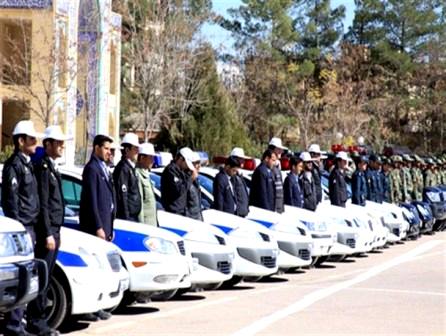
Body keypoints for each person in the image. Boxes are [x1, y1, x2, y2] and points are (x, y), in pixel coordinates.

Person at [1, 120, 44, 336]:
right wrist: (19, 228)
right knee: (22, 277)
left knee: (29, 279)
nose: (36, 144)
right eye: (32, 139)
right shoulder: (14, 166)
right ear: (20, 141)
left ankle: (19, 322)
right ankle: (13, 325)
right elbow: (12, 201)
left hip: (30, 226)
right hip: (22, 228)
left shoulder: (27, 164)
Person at [26, 126, 69, 336]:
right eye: (58, 143)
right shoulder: (42, 167)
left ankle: (40, 319)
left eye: (62, 142)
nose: (62, 146)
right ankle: (36, 321)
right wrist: (48, 233)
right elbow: (43, 203)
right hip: (48, 230)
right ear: (48, 144)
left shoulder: (52, 166)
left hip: (55, 228)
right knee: (42, 278)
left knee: (48, 275)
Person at [78, 134, 116, 321]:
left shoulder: (104, 168)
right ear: (96, 148)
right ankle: (89, 308)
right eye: (106, 148)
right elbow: (91, 202)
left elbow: (109, 200)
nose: (109, 152)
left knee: (102, 269)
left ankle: (98, 305)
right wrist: (99, 227)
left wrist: (111, 226)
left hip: (106, 227)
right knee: (92, 269)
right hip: (94, 229)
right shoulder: (92, 169)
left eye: (110, 149)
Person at [113, 133, 141, 221]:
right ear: (127, 150)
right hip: (128, 218)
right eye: (135, 148)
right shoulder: (123, 168)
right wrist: (126, 219)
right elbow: (123, 196)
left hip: (133, 216)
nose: (137, 152)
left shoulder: (129, 167)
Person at [161, 147, 194, 216]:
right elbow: (179, 189)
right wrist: (191, 178)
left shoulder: (181, 171)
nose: (187, 166)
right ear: (181, 159)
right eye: (186, 163)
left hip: (181, 210)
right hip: (173, 211)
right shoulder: (171, 170)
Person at [135, 143, 157, 226]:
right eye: (150, 157)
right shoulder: (138, 175)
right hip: (146, 225)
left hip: (152, 223)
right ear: (142, 158)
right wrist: (142, 226)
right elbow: (139, 205)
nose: (153, 161)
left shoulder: (146, 174)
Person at [229, 147, 250, 217]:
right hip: (238, 215)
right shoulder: (232, 176)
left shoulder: (239, 175)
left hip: (243, 214)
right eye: (241, 159)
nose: (243, 162)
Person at [268, 137, 287, 213]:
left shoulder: (278, 165)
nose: (281, 152)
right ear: (272, 150)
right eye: (278, 149)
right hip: (272, 209)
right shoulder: (268, 166)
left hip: (279, 208)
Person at [186, 152, 203, 221]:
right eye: (197, 163)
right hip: (191, 220)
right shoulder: (186, 179)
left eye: (199, 163)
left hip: (197, 218)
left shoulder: (196, 180)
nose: (199, 166)